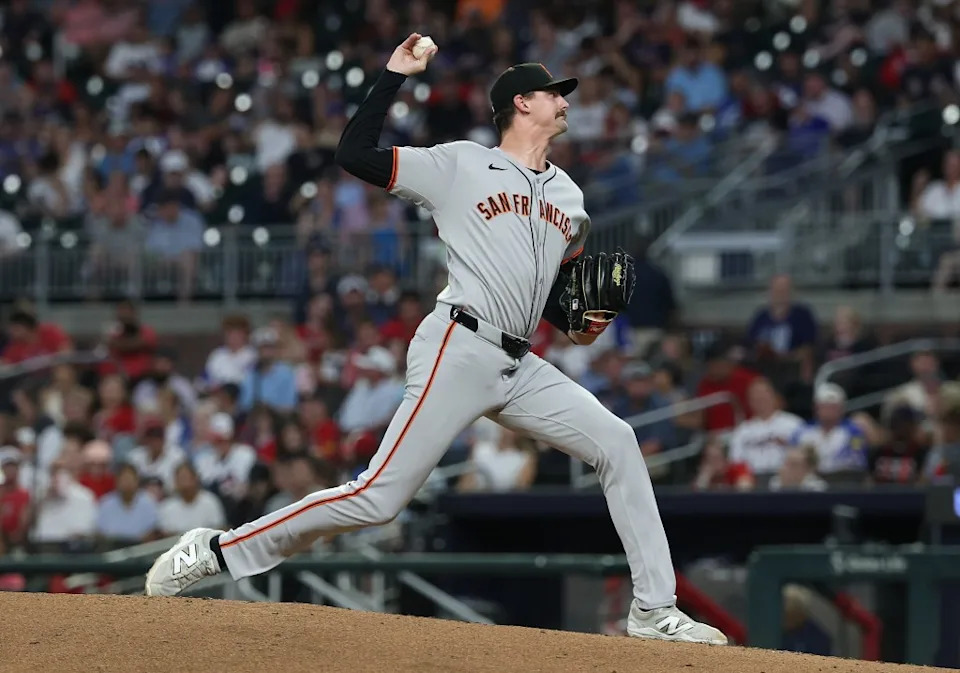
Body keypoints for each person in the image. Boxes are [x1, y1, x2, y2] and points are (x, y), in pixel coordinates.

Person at [145, 34, 726, 645]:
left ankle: (653, 611)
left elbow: (554, 301)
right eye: (555, 93)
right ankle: (215, 550)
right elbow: (354, 153)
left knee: (619, 442)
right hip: (460, 342)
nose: (565, 102)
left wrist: (584, 323)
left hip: (518, 361)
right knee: (376, 498)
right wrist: (394, 74)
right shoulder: (460, 164)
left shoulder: (569, 199)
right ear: (521, 103)